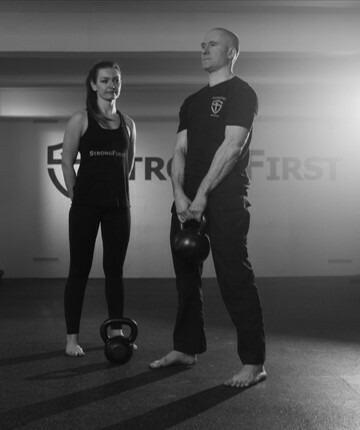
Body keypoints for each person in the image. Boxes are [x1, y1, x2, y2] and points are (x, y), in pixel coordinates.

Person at [150, 28, 266, 388]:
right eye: (202, 44)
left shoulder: (241, 93)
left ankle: (253, 362)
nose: (203, 48)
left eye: (212, 44)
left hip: (225, 198)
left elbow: (231, 148)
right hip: (188, 202)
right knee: (186, 277)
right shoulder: (192, 101)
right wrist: (180, 195)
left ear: (231, 52)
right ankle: (186, 348)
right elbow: (180, 151)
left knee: (235, 278)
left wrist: (201, 196)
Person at [61, 61, 136, 356]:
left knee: (114, 271)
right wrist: (76, 196)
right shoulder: (80, 119)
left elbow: (126, 166)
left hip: (118, 207)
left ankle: (116, 333)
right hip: (85, 207)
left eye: (116, 80)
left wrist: (113, 191)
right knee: (78, 270)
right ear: (93, 85)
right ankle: (71, 339)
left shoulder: (129, 124)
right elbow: (67, 162)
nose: (111, 86)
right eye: (105, 80)